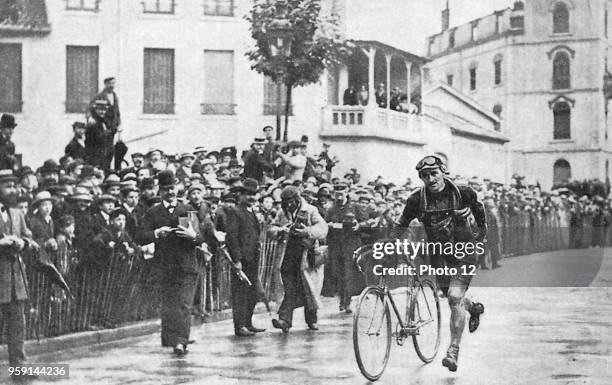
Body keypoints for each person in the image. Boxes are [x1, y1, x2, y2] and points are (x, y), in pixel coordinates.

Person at [390, 155, 486, 372]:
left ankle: (453, 350)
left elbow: (481, 217)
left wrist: (479, 234)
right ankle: (474, 308)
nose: (430, 179)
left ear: (443, 171)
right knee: (454, 299)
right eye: (424, 176)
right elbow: (400, 223)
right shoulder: (416, 199)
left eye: (434, 173)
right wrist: (389, 243)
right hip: (439, 256)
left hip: (464, 253)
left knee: (454, 297)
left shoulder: (464, 193)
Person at [139, 170, 206, 355]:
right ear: (160, 191)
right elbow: (140, 236)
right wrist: (156, 233)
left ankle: (181, 341)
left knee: (184, 303)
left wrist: (193, 235)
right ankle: (169, 338)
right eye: (166, 189)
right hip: (165, 265)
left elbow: (200, 238)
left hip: (186, 265)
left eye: (172, 188)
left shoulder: (187, 210)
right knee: (169, 303)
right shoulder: (153, 212)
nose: (170, 192)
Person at [269, 186, 328, 332]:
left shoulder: (310, 210)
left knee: (309, 288)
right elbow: (271, 228)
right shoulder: (282, 213)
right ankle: (285, 320)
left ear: (296, 199)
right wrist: (280, 230)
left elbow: (323, 227)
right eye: (285, 202)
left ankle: (312, 320)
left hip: (306, 257)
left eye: (290, 201)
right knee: (289, 289)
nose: (288, 205)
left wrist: (307, 231)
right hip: (287, 256)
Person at [0, 169, 39, 374]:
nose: (13, 190)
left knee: (17, 325)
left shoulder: (17, 213)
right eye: (8, 186)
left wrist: (22, 242)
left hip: (15, 280)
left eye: (14, 186)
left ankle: (19, 367)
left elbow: (30, 239)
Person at [224, 178, 266, 336]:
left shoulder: (252, 211)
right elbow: (232, 237)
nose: (251, 197)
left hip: (253, 257)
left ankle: (248, 322)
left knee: (252, 292)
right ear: (240, 195)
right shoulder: (235, 211)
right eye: (247, 194)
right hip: (242, 259)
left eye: (253, 194)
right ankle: (240, 325)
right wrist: (237, 260)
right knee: (240, 293)